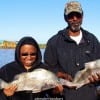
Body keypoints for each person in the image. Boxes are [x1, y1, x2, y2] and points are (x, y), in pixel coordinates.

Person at [44, 1, 100, 100]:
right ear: (65, 18)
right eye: (70, 16)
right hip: (65, 96)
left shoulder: (93, 40)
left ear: (82, 16)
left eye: (78, 15)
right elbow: (48, 70)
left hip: (90, 95)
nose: (75, 19)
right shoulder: (54, 42)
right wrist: (59, 75)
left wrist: (98, 79)